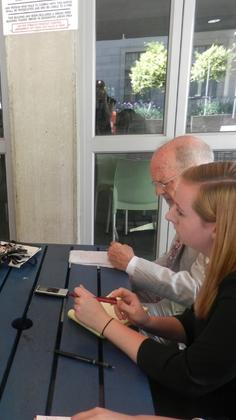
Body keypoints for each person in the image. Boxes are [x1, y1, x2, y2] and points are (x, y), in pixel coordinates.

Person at [73, 161, 236, 419]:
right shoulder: (221, 265)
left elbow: (188, 375)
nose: (169, 216)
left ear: (215, 227)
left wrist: (103, 323)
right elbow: (194, 324)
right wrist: (146, 320)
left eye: (180, 212)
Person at [108, 135, 214, 319]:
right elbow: (172, 261)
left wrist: (132, 264)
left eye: (163, 182)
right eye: (155, 183)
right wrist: (128, 272)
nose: (157, 192)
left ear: (195, 172)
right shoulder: (188, 210)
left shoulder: (217, 221)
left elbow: (196, 292)